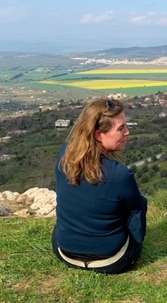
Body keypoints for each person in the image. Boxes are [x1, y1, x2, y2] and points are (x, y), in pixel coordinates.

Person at [51, 97, 147, 274]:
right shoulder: (120, 175)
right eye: (121, 128)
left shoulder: (64, 156)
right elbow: (137, 222)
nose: (127, 132)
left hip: (65, 253)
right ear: (98, 135)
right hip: (111, 261)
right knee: (137, 204)